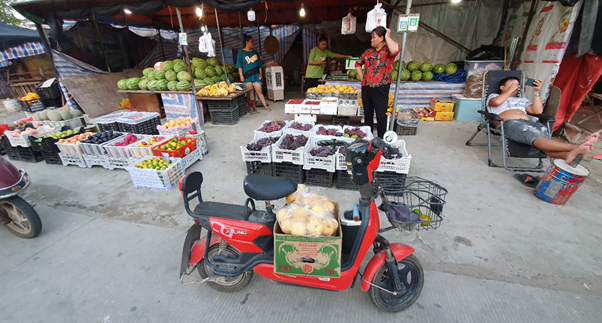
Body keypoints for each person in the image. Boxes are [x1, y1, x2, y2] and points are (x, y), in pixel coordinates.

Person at [487, 77, 599, 164]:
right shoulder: (494, 96)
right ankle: (575, 147)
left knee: (542, 137)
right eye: (512, 84)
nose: (516, 86)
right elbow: (495, 103)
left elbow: (537, 111)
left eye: (517, 84)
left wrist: (537, 92)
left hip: (528, 123)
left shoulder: (522, 99)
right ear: (502, 87)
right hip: (509, 123)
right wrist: (510, 91)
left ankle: (566, 155)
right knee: (537, 137)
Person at [355, 27, 400, 139]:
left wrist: (388, 37)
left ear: (381, 38)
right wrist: (362, 78)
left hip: (381, 88)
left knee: (381, 116)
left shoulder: (388, 51)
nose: (371, 40)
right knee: (367, 115)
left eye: (373, 37)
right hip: (366, 88)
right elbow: (357, 64)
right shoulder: (368, 52)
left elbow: (396, 50)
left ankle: (381, 141)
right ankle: (368, 139)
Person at [237, 35, 270, 112]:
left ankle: (265, 106)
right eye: (251, 42)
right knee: (250, 92)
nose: (253, 43)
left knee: (259, 91)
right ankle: (253, 107)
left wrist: (260, 75)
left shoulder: (255, 52)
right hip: (247, 76)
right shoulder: (241, 53)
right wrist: (241, 76)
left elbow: (260, 65)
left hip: (256, 75)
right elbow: (239, 66)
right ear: (247, 42)